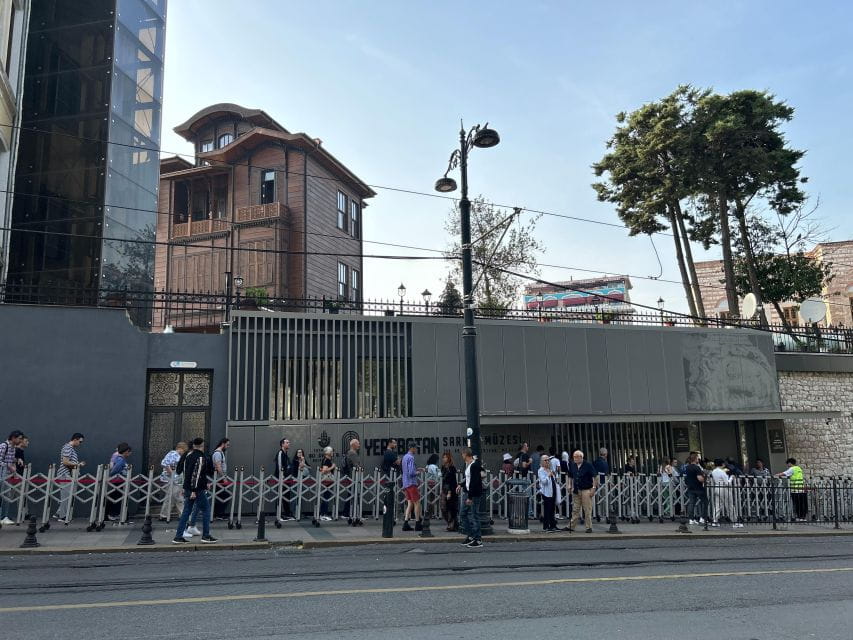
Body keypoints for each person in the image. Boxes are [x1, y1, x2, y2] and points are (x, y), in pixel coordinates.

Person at [173, 437, 217, 544]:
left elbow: (185, 472)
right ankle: (206, 535)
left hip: (188, 487)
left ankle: (178, 536)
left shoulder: (188, 456)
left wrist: (185, 487)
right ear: (201, 445)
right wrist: (194, 490)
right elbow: (196, 475)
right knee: (206, 510)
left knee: (186, 511)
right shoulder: (200, 457)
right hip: (196, 489)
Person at [55, 433, 85, 520]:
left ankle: (59, 513)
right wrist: (78, 464)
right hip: (65, 474)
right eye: (80, 441)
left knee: (68, 495)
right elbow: (65, 462)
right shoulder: (68, 447)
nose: (80, 443)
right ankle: (62, 516)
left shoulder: (70, 448)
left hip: (68, 475)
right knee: (66, 496)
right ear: (75, 439)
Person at [457, 448, 483, 548]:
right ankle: (471, 535)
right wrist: (461, 484)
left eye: (462, 454)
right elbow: (468, 479)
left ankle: (478, 539)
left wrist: (470, 497)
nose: (462, 456)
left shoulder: (474, 465)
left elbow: (474, 482)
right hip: (468, 492)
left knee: (474, 515)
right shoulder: (469, 465)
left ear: (466, 454)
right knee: (463, 514)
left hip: (473, 495)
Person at [568, 450, 597, 533]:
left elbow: (594, 476)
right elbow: (570, 476)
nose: (575, 458)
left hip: (586, 490)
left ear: (581, 457)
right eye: (574, 457)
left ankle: (589, 527)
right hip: (576, 490)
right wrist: (569, 485)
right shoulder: (573, 465)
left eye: (576, 457)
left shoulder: (588, 465)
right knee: (575, 509)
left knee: (587, 509)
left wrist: (593, 488)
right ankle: (571, 526)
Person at [159, 442, 188, 521]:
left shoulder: (175, 454)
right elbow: (164, 463)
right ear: (181, 449)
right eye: (184, 451)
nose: (184, 453)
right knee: (174, 497)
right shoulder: (173, 454)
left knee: (176, 496)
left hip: (175, 479)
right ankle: (165, 515)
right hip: (172, 479)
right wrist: (172, 474)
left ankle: (180, 514)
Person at [0, 430, 23, 525]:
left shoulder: (13, 448)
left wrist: (17, 460)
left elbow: (10, 459)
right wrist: (8, 465)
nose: (20, 441)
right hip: (2, 474)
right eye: (19, 439)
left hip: (8, 475)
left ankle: (4, 517)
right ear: (13, 438)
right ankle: (3, 517)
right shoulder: (3, 446)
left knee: (6, 496)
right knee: (3, 496)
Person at [106, 443, 132, 521]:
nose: (130, 453)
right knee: (117, 496)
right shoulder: (121, 460)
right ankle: (112, 514)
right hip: (118, 480)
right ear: (125, 451)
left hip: (119, 480)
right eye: (129, 451)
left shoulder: (118, 458)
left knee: (116, 496)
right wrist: (113, 475)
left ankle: (113, 514)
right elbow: (114, 470)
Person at [401, 443, 423, 532]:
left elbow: (407, 471)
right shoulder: (411, 458)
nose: (416, 450)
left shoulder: (405, 457)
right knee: (417, 503)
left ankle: (405, 523)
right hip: (411, 483)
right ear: (412, 448)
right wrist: (419, 472)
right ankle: (417, 523)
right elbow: (411, 473)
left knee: (410, 503)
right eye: (415, 448)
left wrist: (417, 469)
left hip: (406, 483)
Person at [342, 438, 364, 525]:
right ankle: (352, 513)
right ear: (353, 445)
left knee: (351, 495)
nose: (359, 445)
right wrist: (360, 469)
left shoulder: (350, 453)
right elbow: (357, 465)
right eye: (358, 443)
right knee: (354, 495)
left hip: (353, 477)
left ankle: (348, 513)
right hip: (354, 477)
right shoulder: (352, 453)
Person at [684, 452, 708, 525]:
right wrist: (705, 478)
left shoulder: (687, 467)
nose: (699, 459)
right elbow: (700, 479)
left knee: (692, 503)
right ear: (695, 459)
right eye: (698, 458)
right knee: (705, 502)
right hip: (698, 487)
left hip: (691, 487)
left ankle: (691, 519)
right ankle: (702, 518)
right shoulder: (697, 467)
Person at [274, 438, 294, 522]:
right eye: (287, 442)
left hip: (287, 479)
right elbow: (279, 466)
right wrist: (281, 478)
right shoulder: (280, 453)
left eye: (289, 442)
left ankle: (287, 514)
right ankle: (279, 515)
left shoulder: (286, 454)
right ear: (282, 444)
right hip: (281, 479)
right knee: (280, 496)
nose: (289, 443)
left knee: (286, 496)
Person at [211, 438, 231, 520]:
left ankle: (217, 514)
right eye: (227, 444)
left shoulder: (220, 453)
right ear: (223, 443)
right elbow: (218, 466)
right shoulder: (218, 453)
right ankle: (218, 514)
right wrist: (224, 478)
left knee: (221, 496)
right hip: (219, 479)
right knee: (224, 496)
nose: (228, 446)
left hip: (219, 478)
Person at [538, 454, 558, 532]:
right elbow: (543, 482)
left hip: (553, 491)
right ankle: (546, 526)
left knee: (552, 509)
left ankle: (553, 525)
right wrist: (549, 476)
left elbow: (555, 478)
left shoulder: (550, 469)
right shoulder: (541, 470)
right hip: (546, 492)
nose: (547, 461)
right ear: (542, 462)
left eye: (548, 460)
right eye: (545, 460)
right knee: (547, 509)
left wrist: (554, 474)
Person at [441, 451, 459, 532]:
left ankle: (452, 524)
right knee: (443, 507)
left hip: (451, 489)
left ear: (449, 458)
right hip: (444, 489)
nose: (444, 458)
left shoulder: (452, 468)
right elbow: (444, 480)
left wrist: (449, 492)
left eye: (445, 457)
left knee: (451, 507)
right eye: (443, 457)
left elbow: (452, 481)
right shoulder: (443, 467)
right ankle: (450, 523)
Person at [319, 446, 337, 521]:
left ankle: (323, 513)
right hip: (327, 481)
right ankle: (323, 514)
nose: (332, 453)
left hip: (328, 481)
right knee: (326, 497)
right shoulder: (327, 460)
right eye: (331, 451)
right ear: (327, 452)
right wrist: (332, 467)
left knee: (326, 497)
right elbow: (324, 471)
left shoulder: (326, 459)